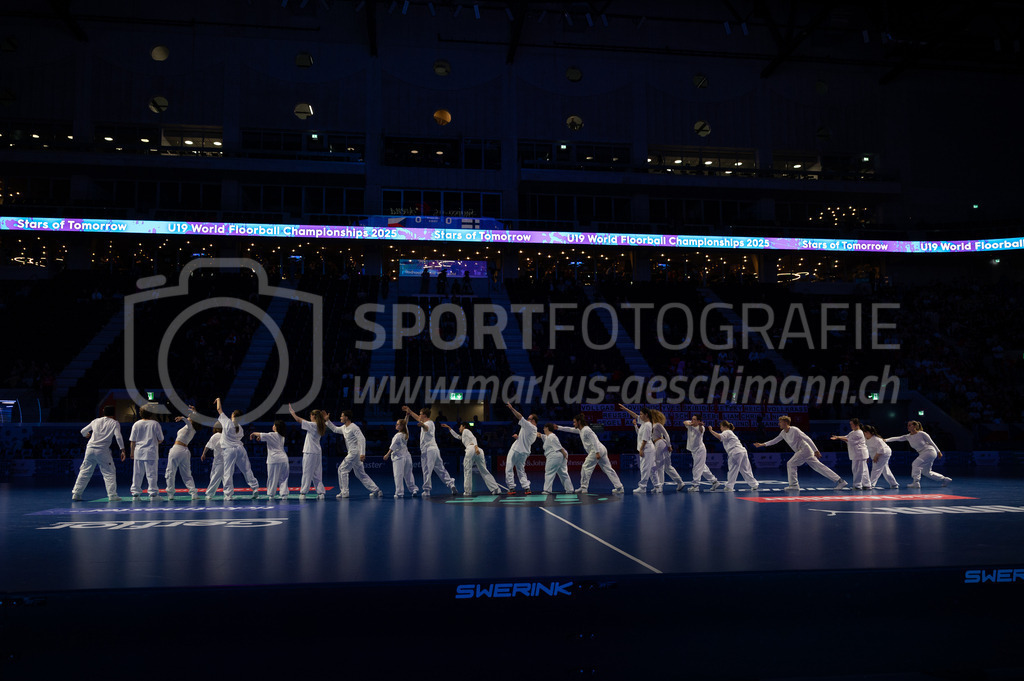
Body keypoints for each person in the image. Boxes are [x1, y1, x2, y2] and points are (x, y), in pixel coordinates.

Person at [755, 415, 846, 491]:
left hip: (805, 449)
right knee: (818, 467)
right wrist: (762, 444)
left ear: (785, 423)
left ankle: (794, 485)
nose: (779, 423)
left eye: (780, 422)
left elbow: (807, 438)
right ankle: (840, 481)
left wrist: (816, 450)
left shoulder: (795, 430)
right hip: (802, 451)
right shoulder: (783, 433)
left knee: (790, 463)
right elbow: (774, 441)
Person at [556, 413, 623, 494]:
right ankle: (619, 487)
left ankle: (584, 488)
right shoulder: (581, 430)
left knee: (585, 467)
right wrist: (558, 427)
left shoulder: (587, 430)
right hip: (601, 449)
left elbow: (594, 440)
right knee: (608, 469)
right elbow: (570, 429)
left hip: (596, 450)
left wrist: (597, 452)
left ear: (579, 422)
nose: (573, 424)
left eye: (574, 422)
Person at [72, 404, 124, 501]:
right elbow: (118, 436)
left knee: (84, 471)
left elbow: (83, 431)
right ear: (113, 414)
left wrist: (86, 435)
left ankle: (76, 494)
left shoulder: (95, 421)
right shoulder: (114, 423)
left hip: (90, 449)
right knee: (109, 472)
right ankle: (112, 495)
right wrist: (122, 449)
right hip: (102, 450)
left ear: (104, 412)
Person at [402, 405, 457, 496]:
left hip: (429, 450)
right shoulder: (428, 422)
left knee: (427, 470)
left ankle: (427, 490)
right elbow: (417, 418)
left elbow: (426, 428)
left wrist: (422, 425)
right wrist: (410, 412)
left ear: (425, 415)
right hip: (434, 449)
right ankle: (451, 484)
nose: (419, 416)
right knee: (441, 469)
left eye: (421, 414)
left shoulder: (429, 423)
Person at [214, 397, 260, 501]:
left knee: (228, 472)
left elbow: (219, 409)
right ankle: (255, 488)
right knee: (247, 469)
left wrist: (218, 399)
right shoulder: (241, 428)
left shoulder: (227, 422)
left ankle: (228, 495)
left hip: (229, 450)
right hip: (240, 449)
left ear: (233, 415)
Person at [330, 410, 382, 498]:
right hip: (352, 453)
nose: (340, 418)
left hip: (355, 453)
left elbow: (362, 439)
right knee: (360, 474)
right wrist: (327, 421)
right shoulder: (343, 427)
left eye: (342, 416)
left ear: (346, 417)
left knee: (342, 469)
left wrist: (362, 454)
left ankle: (345, 492)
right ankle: (376, 490)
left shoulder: (354, 427)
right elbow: (335, 429)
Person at [884, 420, 951, 488]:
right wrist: (885, 440)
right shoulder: (908, 436)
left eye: (910, 425)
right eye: (907, 425)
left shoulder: (922, 433)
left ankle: (916, 482)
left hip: (929, 451)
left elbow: (931, 442)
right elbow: (897, 438)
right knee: (926, 472)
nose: (908, 426)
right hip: (923, 453)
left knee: (915, 464)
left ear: (915, 426)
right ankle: (945, 479)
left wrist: (938, 451)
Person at [443, 422, 500, 495]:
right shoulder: (464, 435)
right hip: (478, 451)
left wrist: (476, 447)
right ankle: (496, 489)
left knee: (467, 471)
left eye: (460, 426)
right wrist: (449, 428)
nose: (459, 428)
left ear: (464, 426)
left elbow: (473, 438)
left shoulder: (466, 431)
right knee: (484, 470)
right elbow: (457, 436)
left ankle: (467, 492)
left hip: (472, 449)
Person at [290, 404, 329, 499]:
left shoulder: (312, 425)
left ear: (314, 416)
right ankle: (321, 493)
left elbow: (299, 420)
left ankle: (303, 493)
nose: (310, 417)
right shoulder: (321, 425)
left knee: (307, 473)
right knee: (317, 474)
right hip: (317, 452)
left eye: (311, 415)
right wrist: (325, 419)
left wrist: (292, 413)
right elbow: (322, 422)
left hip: (310, 452)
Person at [707, 421, 759, 492]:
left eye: (721, 427)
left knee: (733, 470)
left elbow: (720, 437)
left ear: (724, 426)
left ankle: (729, 486)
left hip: (735, 452)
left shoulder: (727, 432)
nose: (720, 428)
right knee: (746, 470)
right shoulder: (730, 432)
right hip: (742, 451)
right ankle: (754, 484)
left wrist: (711, 430)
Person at [618, 404, 656, 494]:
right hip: (647, 448)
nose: (640, 416)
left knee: (644, 469)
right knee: (651, 469)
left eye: (641, 414)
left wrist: (641, 449)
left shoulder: (647, 425)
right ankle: (657, 486)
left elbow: (645, 439)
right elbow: (635, 416)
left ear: (646, 415)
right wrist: (626, 409)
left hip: (647, 449)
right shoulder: (643, 423)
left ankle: (642, 487)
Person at [165, 406, 201, 501]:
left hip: (177, 449)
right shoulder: (191, 428)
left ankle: (170, 494)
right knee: (187, 474)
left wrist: (183, 418)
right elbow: (195, 417)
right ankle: (193, 493)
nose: (189, 416)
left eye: (190, 416)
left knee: (170, 472)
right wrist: (194, 411)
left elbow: (189, 423)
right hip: (185, 451)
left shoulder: (190, 427)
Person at [129, 406, 164, 499]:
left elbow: (133, 441)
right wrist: (153, 441)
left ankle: (135, 494)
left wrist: (132, 452)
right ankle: (153, 494)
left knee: (137, 473)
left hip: (138, 452)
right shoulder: (155, 424)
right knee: (151, 473)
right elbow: (161, 439)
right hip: (151, 452)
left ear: (140, 413)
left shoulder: (136, 424)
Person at [503, 403, 538, 494]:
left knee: (509, 467)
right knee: (520, 470)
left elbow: (520, 416)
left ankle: (511, 488)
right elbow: (526, 440)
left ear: (533, 420)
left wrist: (512, 409)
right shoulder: (534, 431)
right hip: (524, 452)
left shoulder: (530, 426)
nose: (527, 419)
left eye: (529, 419)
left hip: (516, 449)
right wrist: (518, 437)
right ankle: (527, 488)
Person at [649, 409, 687, 492]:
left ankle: (659, 486)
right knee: (667, 466)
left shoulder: (658, 425)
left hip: (660, 443)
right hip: (660, 444)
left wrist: (669, 445)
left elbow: (666, 434)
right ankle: (680, 482)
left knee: (659, 465)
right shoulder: (652, 425)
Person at [251, 420, 290, 499]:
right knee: (283, 478)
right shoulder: (282, 436)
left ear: (276, 427)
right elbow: (265, 438)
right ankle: (284, 494)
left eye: (274, 425)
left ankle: (271, 495)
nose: (273, 426)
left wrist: (253, 433)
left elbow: (261, 434)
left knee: (272, 478)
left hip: (274, 460)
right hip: (284, 460)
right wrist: (260, 438)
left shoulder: (272, 435)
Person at [682, 414, 720, 492]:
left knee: (697, 467)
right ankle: (714, 481)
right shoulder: (690, 424)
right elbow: (684, 422)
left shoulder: (701, 427)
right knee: (702, 467)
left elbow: (701, 430)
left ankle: (695, 485)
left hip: (700, 450)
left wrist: (699, 425)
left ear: (699, 421)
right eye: (692, 419)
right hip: (693, 450)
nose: (692, 420)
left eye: (694, 419)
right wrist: (690, 423)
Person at [384, 415, 419, 498]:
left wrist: (387, 455)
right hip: (407, 457)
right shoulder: (406, 433)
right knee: (408, 474)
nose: (396, 425)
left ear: (401, 426)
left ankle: (399, 493)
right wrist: (407, 416)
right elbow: (406, 423)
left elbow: (392, 447)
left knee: (398, 475)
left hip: (399, 458)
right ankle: (414, 489)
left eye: (397, 424)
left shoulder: (398, 436)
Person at [831, 417, 870, 490]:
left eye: (852, 424)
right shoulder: (853, 432)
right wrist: (837, 437)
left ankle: (857, 485)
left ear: (856, 424)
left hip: (859, 454)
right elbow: (846, 437)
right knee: (863, 470)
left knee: (858, 470)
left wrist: (838, 438)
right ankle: (867, 484)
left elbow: (849, 440)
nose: (850, 426)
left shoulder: (859, 433)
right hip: (858, 454)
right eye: (850, 424)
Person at [535, 423, 574, 494]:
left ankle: (547, 490)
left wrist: (564, 453)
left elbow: (559, 446)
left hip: (555, 455)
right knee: (563, 473)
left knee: (549, 472)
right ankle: (569, 489)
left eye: (544, 428)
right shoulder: (547, 437)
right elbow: (539, 435)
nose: (543, 429)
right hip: (559, 456)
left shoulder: (552, 436)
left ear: (547, 428)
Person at [863, 425, 898, 490]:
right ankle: (894, 484)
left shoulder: (876, 439)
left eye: (864, 432)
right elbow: (866, 449)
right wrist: (867, 457)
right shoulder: (866, 439)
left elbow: (882, 450)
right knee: (885, 470)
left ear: (867, 432)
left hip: (884, 453)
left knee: (876, 468)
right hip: (879, 453)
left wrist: (876, 457)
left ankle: (870, 484)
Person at [201, 423, 224, 499]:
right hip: (220, 459)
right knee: (217, 476)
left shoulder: (215, 436)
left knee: (216, 476)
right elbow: (208, 445)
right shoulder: (224, 435)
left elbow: (207, 446)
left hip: (221, 459)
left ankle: (210, 493)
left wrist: (203, 454)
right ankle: (228, 493)